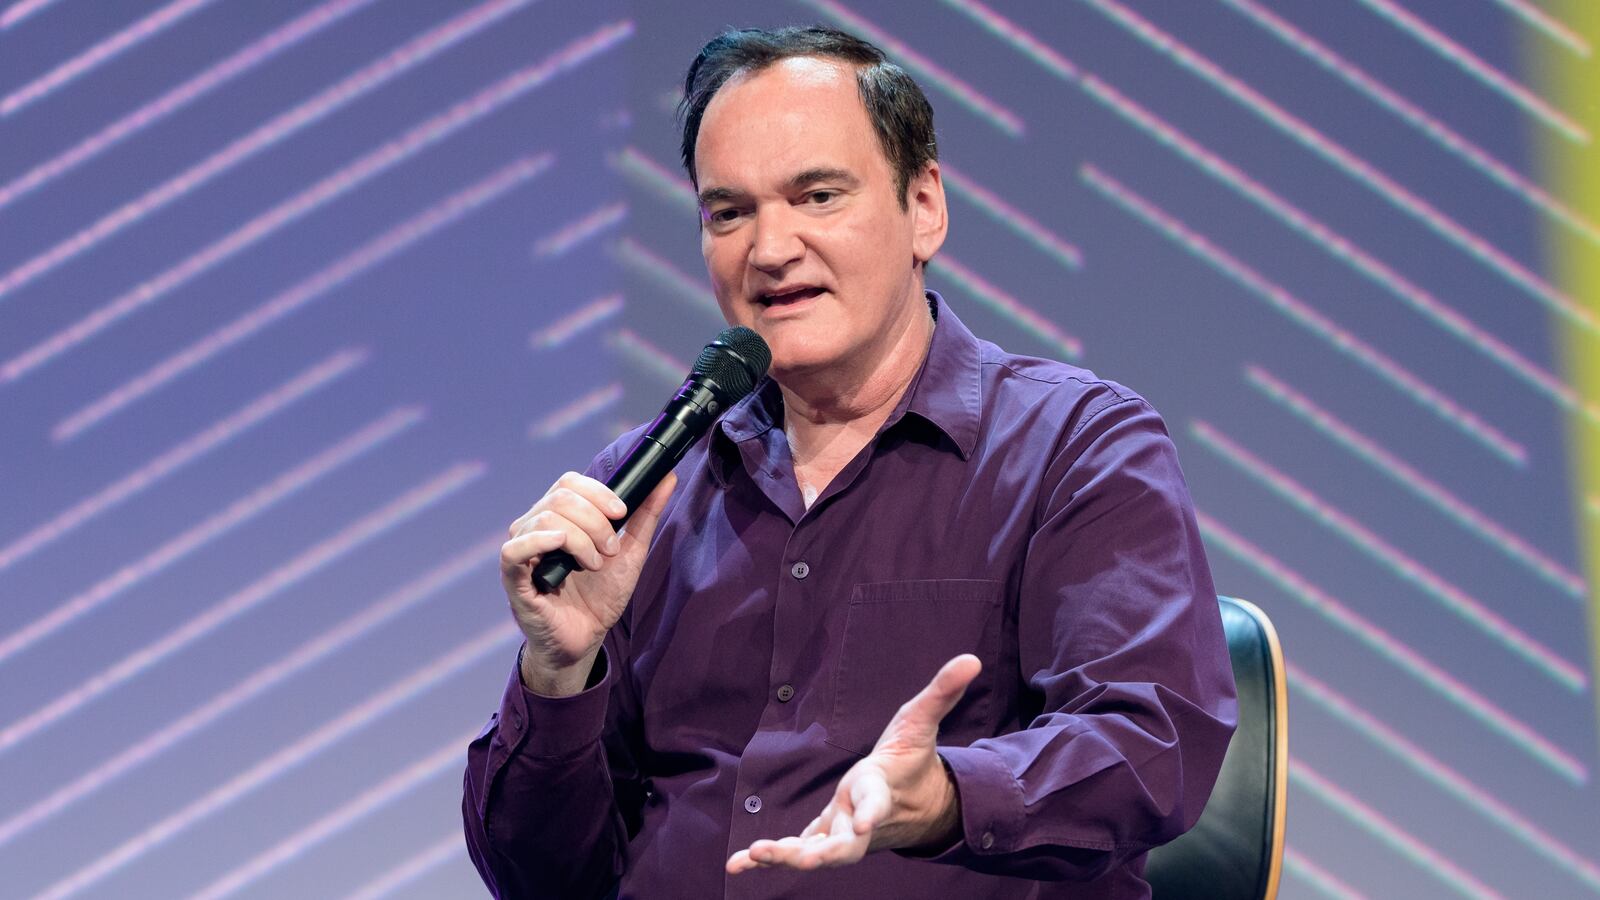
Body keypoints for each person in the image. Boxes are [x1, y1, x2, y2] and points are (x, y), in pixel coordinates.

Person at [463, 25, 1236, 899]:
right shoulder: (648, 487)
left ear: (924, 208)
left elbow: (1149, 746)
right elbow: (538, 879)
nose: (770, 248)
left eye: (818, 196)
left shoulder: (1075, 448)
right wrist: (560, 675)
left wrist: (946, 796)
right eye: (729, 211)